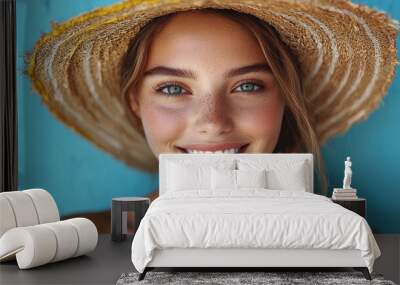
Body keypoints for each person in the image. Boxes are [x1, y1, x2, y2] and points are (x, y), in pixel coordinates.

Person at [25, 0, 398, 230]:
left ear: (285, 98)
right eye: (173, 89)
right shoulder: (74, 240)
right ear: (135, 102)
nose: (213, 121)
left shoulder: (345, 237)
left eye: (248, 85)